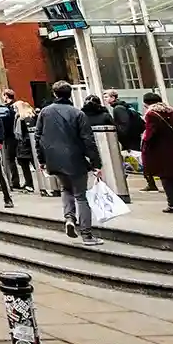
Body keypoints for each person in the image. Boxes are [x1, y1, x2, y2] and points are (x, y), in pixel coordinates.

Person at [36, 81, 104, 246]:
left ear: (54, 94)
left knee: (65, 189)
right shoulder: (78, 113)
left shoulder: (45, 112)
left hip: (54, 160)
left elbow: (38, 137)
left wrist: (42, 160)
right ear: (70, 94)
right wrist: (96, 163)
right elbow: (88, 140)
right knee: (81, 196)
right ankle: (87, 234)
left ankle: (69, 218)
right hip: (75, 159)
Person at [104, 88, 150, 191]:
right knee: (133, 160)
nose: (105, 99)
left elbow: (124, 125)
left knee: (135, 159)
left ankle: (149, 181)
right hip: (133, 137)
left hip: (129, 139)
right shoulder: (123, 106)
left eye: (107, 96)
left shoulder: (118, 108)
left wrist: (122, 137)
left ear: (113, 97)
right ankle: (149, 181)